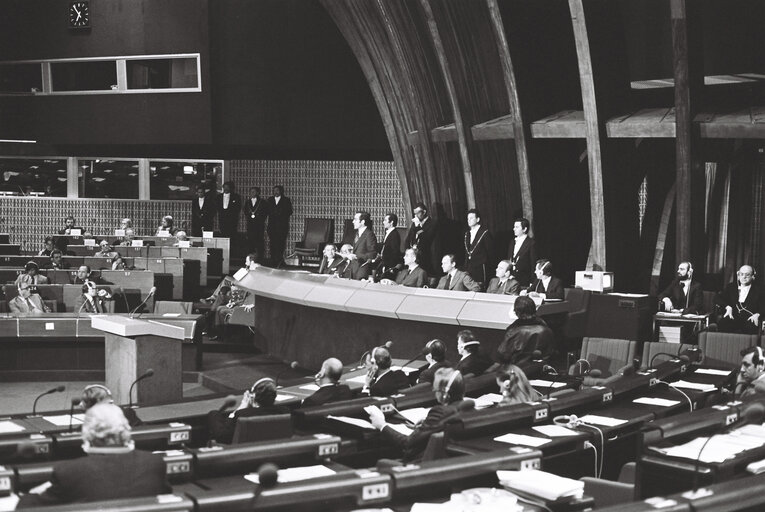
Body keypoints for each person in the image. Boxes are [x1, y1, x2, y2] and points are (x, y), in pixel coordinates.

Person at [14, 403, 169, 508]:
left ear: (87, 435)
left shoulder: (70, 472)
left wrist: (34, 492)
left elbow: (25, 507)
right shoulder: (154, 463)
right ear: (126, 431)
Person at [365, 368, 474, 462]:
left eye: (435, 389)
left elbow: (407, 442)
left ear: (445, 395)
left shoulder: (439, 412)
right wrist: (426, 425)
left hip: (417, 463)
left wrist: (382, 425)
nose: (434, 391)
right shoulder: (466, 407)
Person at [207, 378, 290, 444]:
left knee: (214, 414)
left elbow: (222, 436)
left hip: (240, 454)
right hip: (273, 451)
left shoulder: (243, 414)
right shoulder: (285, 411)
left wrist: (241, 407)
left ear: (253, 397)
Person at [495, 296, 554, 368]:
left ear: (517, 312)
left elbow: (503, 356)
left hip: (517, 371)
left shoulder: (513, 332)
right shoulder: (547, 329)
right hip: (541, 368)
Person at [714, 265, 763, 335]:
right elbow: (717, 298)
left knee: (751, 327)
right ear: (738, 275)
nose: (744, 277)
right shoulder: (731, 287)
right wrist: (727, 307)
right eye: (741, 274)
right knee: (723, 324)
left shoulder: (759, 290)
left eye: (747, 275)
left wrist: (758, 314)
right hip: (733, 317)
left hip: (750, 319)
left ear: (753, 276)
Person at [405, 202, 440, 277]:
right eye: (414, 213)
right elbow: (408, 239)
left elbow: (426, 240)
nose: (416, 216)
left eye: (418, 213)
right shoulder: (415, 224)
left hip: (427, 259)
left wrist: (418, 226)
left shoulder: (433, 223)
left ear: (424, 212)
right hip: (415, 260)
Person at [464, 208, 494, 287]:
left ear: (477, 219)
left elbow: (490, 253)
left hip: (481, 268)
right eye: (468, 218)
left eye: (471, 218)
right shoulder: (467, 234)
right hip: (470, 268)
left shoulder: (484, 233)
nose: (469, 220)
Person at [266, 185, 293, 266]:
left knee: (281, 243)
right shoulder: (270, 199)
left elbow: (290, 211)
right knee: (272, 243)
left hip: (282, 226)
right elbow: (267, 210)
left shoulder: (286, 200)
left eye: (277, 190)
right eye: (274, 190)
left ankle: (280, 260)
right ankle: (273, 259)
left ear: (281, 191)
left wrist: (281, 213)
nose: (275, 192)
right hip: (272, 226)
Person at [507, 217, 537, 287]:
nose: (514, 229)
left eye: (517, 227)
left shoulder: (531, 243)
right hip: (511, 279)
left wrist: (532, 281)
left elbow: (533, 263)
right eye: (514, 227)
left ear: (524, 229)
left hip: (524, 280)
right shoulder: (512, 242)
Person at [348, 211, 378, 280]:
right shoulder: (357, 234)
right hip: (353, 268)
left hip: (362, 269)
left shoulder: (369, 235)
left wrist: (356, 256)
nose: (353, 222)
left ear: (362, 222)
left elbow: (372, 254)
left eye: (355, 219)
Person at [374, 212, 402, 281]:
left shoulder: (394, 235)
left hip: (389, 266)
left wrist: (388, 267)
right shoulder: (389, 233)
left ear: (391, 222)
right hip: (384, 264)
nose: (383, 222)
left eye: (385, 220)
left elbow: (394, 252)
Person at [244, 186, 269, 260]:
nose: (252, 193)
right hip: (250, 225)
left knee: (259, 241)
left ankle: (260, 258)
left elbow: (265, 212)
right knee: (250, 241)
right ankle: (250, 258)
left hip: (259, 225)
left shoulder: (262, 202)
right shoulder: (247, 202)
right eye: (251, 192)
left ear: (258, 193)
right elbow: (245, 211)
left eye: (254, 192)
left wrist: (258, 218)